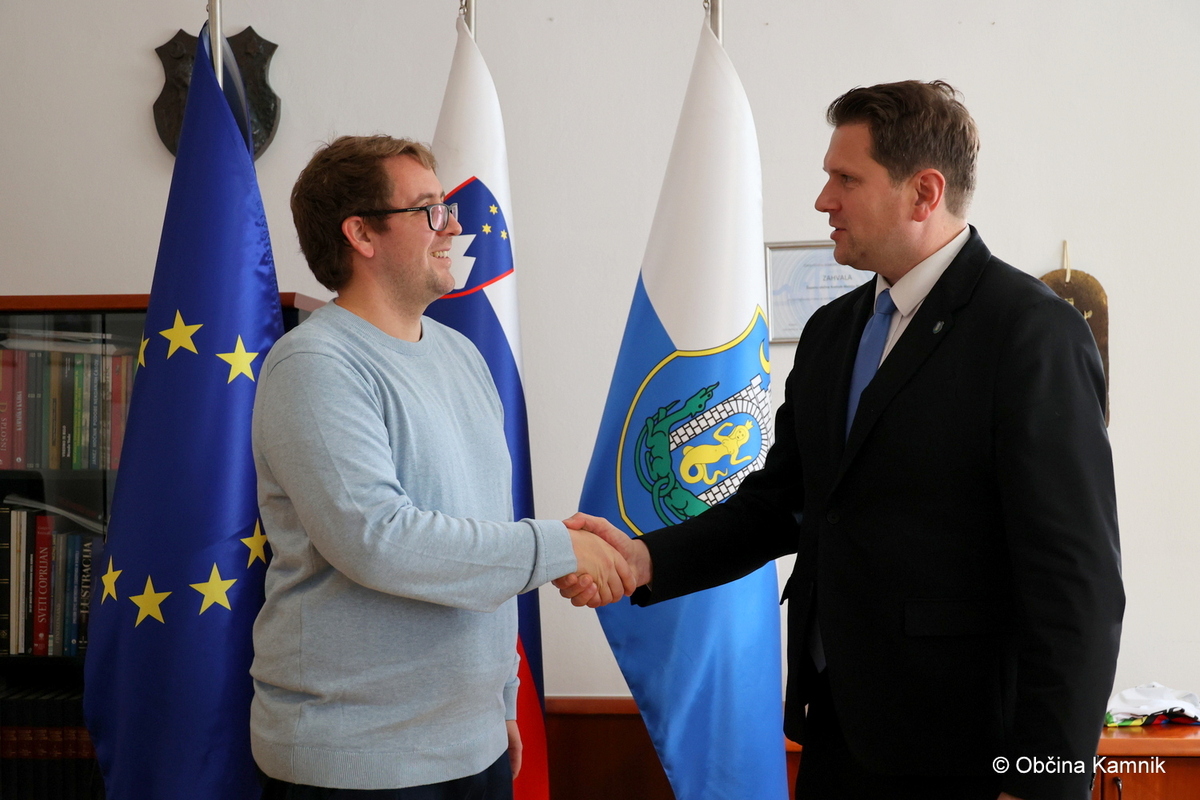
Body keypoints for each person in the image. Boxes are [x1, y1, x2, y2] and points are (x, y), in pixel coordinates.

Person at [560, 81, 1123, 800]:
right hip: (835, 736)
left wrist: (1043, 781)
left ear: (924, 193)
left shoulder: (1031, 334)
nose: (824, 200)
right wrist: (644, 559)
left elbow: (1077, 586)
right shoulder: (834, 330)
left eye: (846, 179)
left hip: (968, 756)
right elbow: (782, 503)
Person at [250, 135, 633, 799]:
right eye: (429, 209)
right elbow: (377, 540)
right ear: (361, 234)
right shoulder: (314, 366)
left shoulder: (462, 356)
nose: (453, 225)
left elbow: (483, 531)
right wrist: (560, 548)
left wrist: (500, 697)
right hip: (357, 759)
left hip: (473, 742)